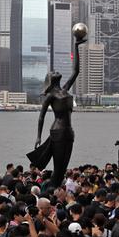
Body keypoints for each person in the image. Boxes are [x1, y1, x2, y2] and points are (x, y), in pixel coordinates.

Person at [28, 33, 85, 189]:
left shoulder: (65, 89)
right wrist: (38, 136)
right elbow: (41, 117)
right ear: (51, 80)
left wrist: (76, 46)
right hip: (57, 132)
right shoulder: (50, 96)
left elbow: (76, 71)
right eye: (52, 72)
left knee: (63, 166)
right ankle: (50, 190)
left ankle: (53, 188)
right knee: (58, 166)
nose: (55, 71)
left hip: (69, 132)